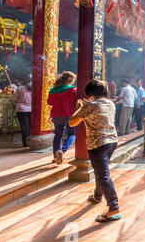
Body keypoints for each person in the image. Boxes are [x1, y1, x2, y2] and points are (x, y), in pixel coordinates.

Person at [69, 79, 120, 223]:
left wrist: (80, 108)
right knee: (100, 171)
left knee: (103, 175)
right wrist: (85, 107)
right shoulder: (110, 103)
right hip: (112, 141)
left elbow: (72, 121)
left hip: (97, 144)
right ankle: (98, 195)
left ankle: (114, 208)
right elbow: (97, 112)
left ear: (90, 92)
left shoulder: (90, 105)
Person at [47, 71, 77, 164]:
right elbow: (76, 102)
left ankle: (56, 156)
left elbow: (49, 103)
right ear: (71, 80)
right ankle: (62, 151)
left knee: (58, 135)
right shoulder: (73, 89)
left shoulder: (53, 90)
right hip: (69, 114)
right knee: (72, 134)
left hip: (56, 115)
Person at [12, 78, 32, 147]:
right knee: (30, 126)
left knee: (25, 127)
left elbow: (14, 99)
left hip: (21, 110)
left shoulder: (20, 88)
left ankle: (26, 143)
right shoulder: (36, 89)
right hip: (32, 110)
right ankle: (31, 142)